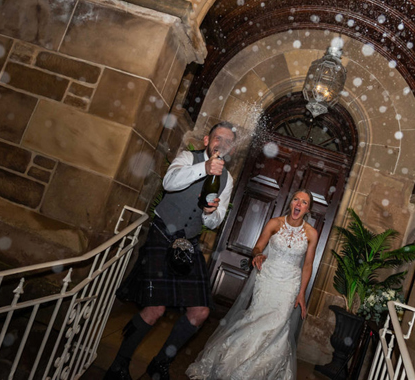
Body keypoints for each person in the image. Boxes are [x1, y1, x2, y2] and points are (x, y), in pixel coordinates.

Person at [105, 122, 237, 380]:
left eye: (228, 141)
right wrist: (204, 168)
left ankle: (160, 363)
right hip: (163, 234)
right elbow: (169, 182)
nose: (222, 143)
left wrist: (209, 213)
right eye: (218, 137)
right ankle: (119, 365)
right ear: (208, 139)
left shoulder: (228, 180)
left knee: (200, 312)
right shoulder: (189, 157)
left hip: (188, 243)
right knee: (156, 308)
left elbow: (215, 220)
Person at [186, 189, 319, 380]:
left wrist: (301, 294)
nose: (298, 204)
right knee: (255, 320)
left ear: (308, 209)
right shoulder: (275, 223)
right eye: (296, 200)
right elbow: (258, 246)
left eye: (304, 202)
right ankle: (231, 364)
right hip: (267, 279)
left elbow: (307, 265)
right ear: (290, 203)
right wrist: (257, 254)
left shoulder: (311, 234)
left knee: (278, 325)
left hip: (290, 285)